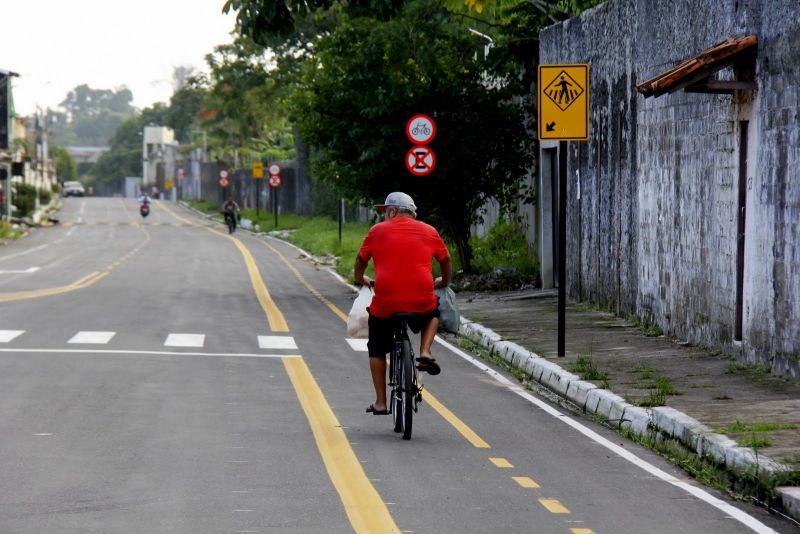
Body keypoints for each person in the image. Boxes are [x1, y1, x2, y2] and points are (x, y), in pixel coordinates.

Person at [354, 192, 452, 415]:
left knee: (377, 346)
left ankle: (381, 402)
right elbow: (445, 259)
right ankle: (425, 350)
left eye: (386, 211)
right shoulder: (429, 231)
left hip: (387, 300)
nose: (385, 216)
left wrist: (361, 279)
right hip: (421, 298)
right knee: (433, 311)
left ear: (394, 211)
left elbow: (361, 260)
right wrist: (444, 281)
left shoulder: (377, 231)